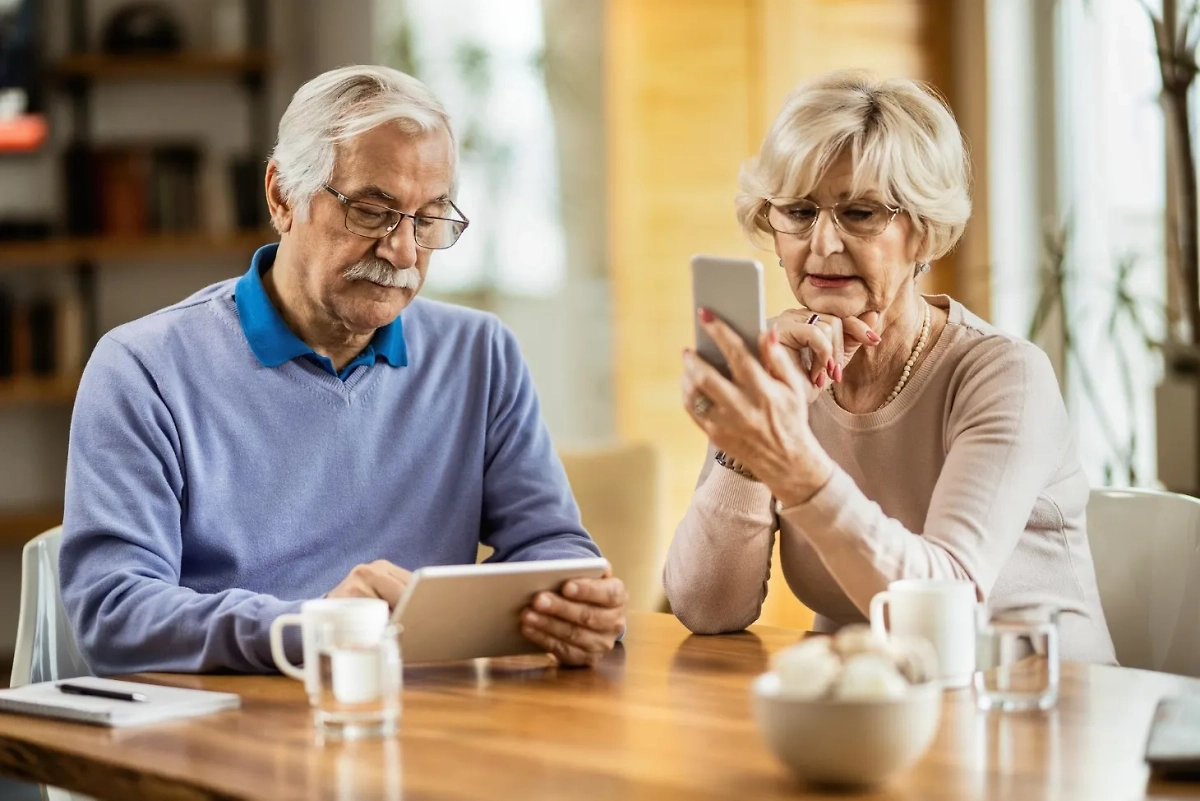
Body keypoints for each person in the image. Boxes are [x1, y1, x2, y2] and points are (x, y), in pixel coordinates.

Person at [60, 65, 626, 675]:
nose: (404, 251)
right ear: (281, 196)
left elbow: (551, 544)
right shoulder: (142, 368)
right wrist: (312, 629)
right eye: (371, 211)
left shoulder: (481, 353)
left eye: (429, 217)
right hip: (231, 732)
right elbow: (112, 614)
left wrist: (579, 603)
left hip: (430, 722)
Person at [665, 69, 1115, 663]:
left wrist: (796, 467)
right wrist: (747, 449)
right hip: (880, 714)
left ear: (923, 233)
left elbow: (942, 610)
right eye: (799, 212)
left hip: (1043, 712)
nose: (822, 244)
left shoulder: (1005, 375)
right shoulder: (781, 371)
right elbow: (707, 609)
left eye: (860, 213)